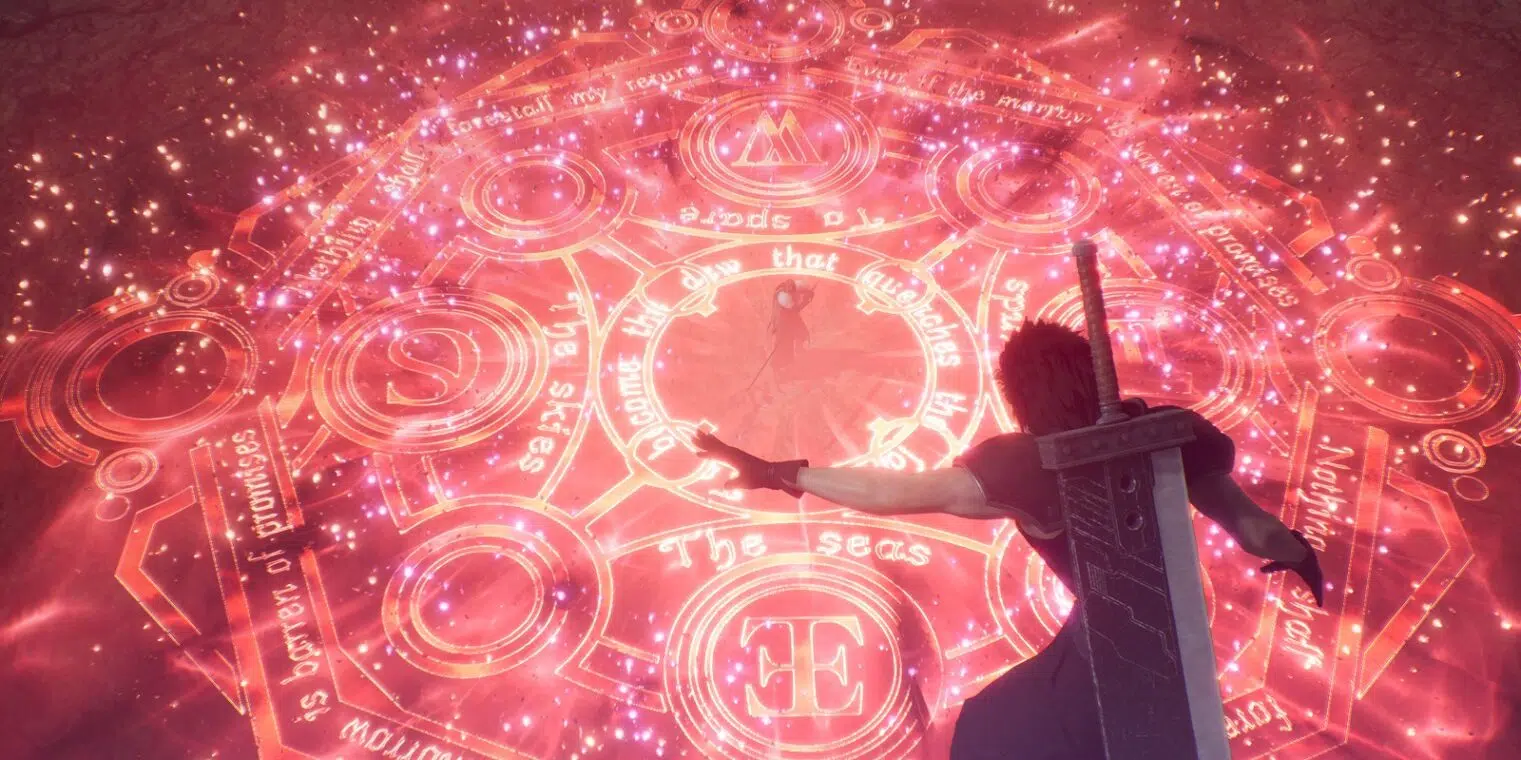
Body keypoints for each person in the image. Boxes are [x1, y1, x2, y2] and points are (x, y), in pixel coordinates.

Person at [694, 319, 1324, 759]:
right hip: (1180, 644)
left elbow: (895, 492)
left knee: (991, 734)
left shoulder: (1027, 468)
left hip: (1103, 656)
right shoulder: (1168, 433)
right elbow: (1254, 530)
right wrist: (1297, 553)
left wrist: (783, 474)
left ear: (1020, 397)